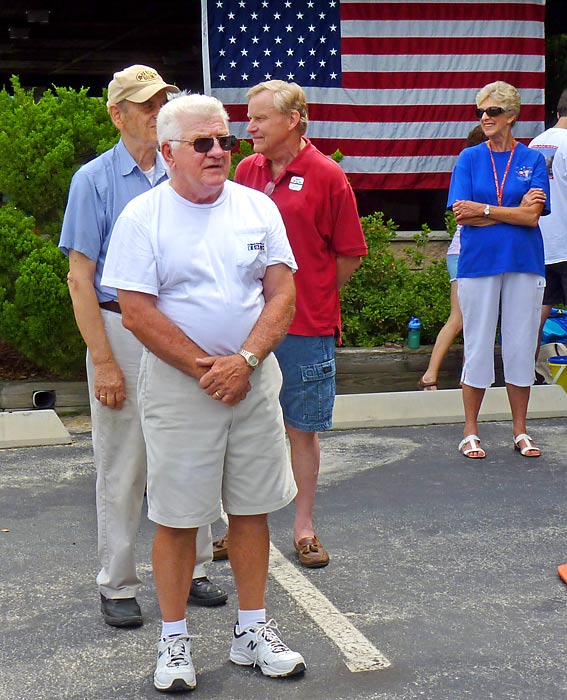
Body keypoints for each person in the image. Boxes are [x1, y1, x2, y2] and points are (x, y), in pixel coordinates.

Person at [101, 92, 305, 691]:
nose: (219, 152)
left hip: (252, 379)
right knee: (177, 517)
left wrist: (243, 362)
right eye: (203, 143)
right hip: (181, 389)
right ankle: (173, 643)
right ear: (168, 152)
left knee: (250, 509)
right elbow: (135, 312)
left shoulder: (257, 208)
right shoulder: (143, 217)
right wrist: (206, 369)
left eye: (225, 141)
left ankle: (252, 631)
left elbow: (283, 294)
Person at [59, 65, 227, 628]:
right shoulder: (95, 181)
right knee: (124, 462)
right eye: (143, 103)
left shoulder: (182, 169)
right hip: (120, 331)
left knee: (190, 451)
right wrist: (103, 360)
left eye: (161, 101)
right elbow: (80, 279)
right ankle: (118, 582)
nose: (155, 112)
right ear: (116, 113)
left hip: (179, 330)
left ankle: (197, 569)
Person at [210, 81, 367, 570]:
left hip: (305, 327)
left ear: (293, 120)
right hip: (244, 326)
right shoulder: (245, 170)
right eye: (248, 117)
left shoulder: (327, 175)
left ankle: (303, 528)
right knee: (236, 427)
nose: (247, 127)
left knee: (301, 428)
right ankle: (236, 525)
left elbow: (349, 255)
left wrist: (311, 293)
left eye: (259, 118)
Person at [449, 80, 549, 460]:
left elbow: (533, 216)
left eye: (492, 111)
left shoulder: (533, 160)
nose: (484, 118)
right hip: (478, 264)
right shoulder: (470, 158)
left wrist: (486, 210)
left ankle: (520, 430)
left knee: (521, 345)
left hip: (524, 262)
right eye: (480, 112)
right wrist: (514, 214)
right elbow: (462, 214)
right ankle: (470, 431)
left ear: (511, 115)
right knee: (477, 343)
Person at [419, 126, 487, 391]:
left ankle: (448, 376)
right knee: (461, 319)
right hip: (468, 252)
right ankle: (434, 375)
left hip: (463, 252)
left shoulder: (468, 168)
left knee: (468, 319)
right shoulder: (475, 170)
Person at [529, 88, 567, 347]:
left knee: (540, 309)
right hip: (565, 241)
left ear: (557, 112)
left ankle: (525, 372)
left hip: (539, 242)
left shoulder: (534, 144)